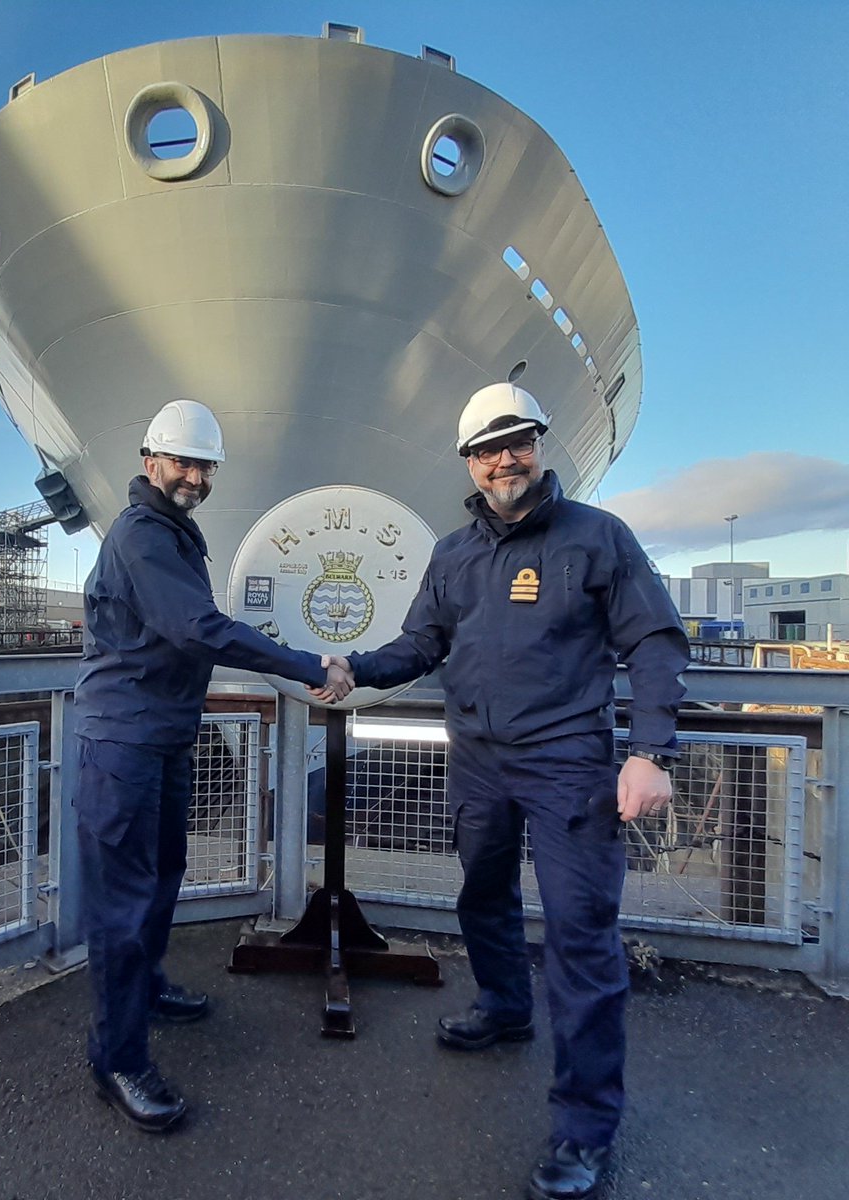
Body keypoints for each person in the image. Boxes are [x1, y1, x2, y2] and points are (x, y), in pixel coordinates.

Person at [333, 383, 689, 1200]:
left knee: (581, 936)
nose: (505, 459)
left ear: (539, 444)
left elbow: (657, 641)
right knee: (483, 892)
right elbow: (420, 643)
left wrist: (649, 751)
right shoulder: (454, 553)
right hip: (478, 761)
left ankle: (584, 1129)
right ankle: (503, 1004)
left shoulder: (598, 539)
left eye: (517, 441)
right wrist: (355, 668)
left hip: (569, 762)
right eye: (488, 448)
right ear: (469, 462)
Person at [73, 399, 351, 1134]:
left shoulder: (174, 533)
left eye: (204, 465)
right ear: (150, 461)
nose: (194, 475)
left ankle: (149, 989)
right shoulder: (143, 537)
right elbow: (199, 628)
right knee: (123, 906)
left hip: (161, 736)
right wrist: (306, 665)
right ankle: (117, 1059)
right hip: (124, 743)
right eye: (183, 462)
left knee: (162, 876)